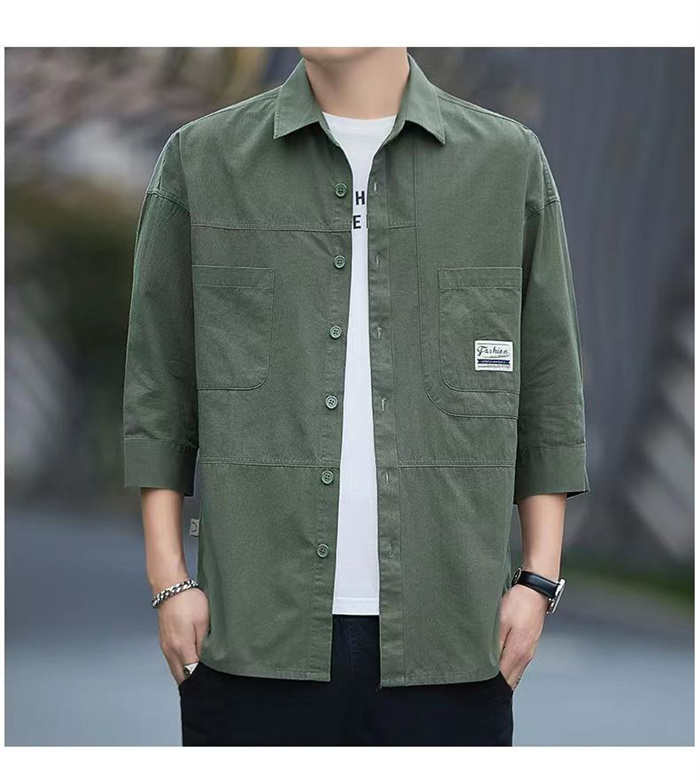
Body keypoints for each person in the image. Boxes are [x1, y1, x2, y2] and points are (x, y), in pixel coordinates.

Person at [123, 47, 589, 746]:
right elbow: (159, 383)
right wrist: (169, 579)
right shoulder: (203, 161)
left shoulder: (506, 164)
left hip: (453, 642)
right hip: (250, 638)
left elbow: (547, 385)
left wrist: (538, 580)